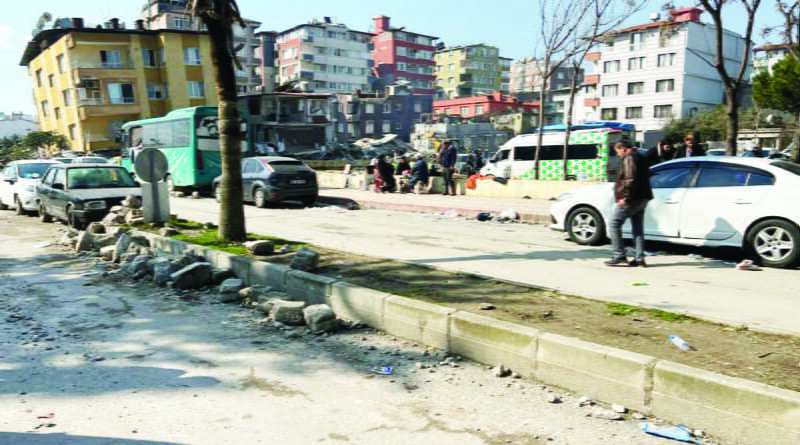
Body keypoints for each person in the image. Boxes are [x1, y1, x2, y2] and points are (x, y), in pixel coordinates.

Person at [606, 141, 653, 268]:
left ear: (623, 148)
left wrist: (625, 197)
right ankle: (639, 258)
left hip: (632, 198)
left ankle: (619, 255)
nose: (618, 155)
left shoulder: (629, 157)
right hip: (643, 197)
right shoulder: (640, 156)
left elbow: (630, 179)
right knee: (638, 228)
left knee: (614, 223)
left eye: (618, 152)